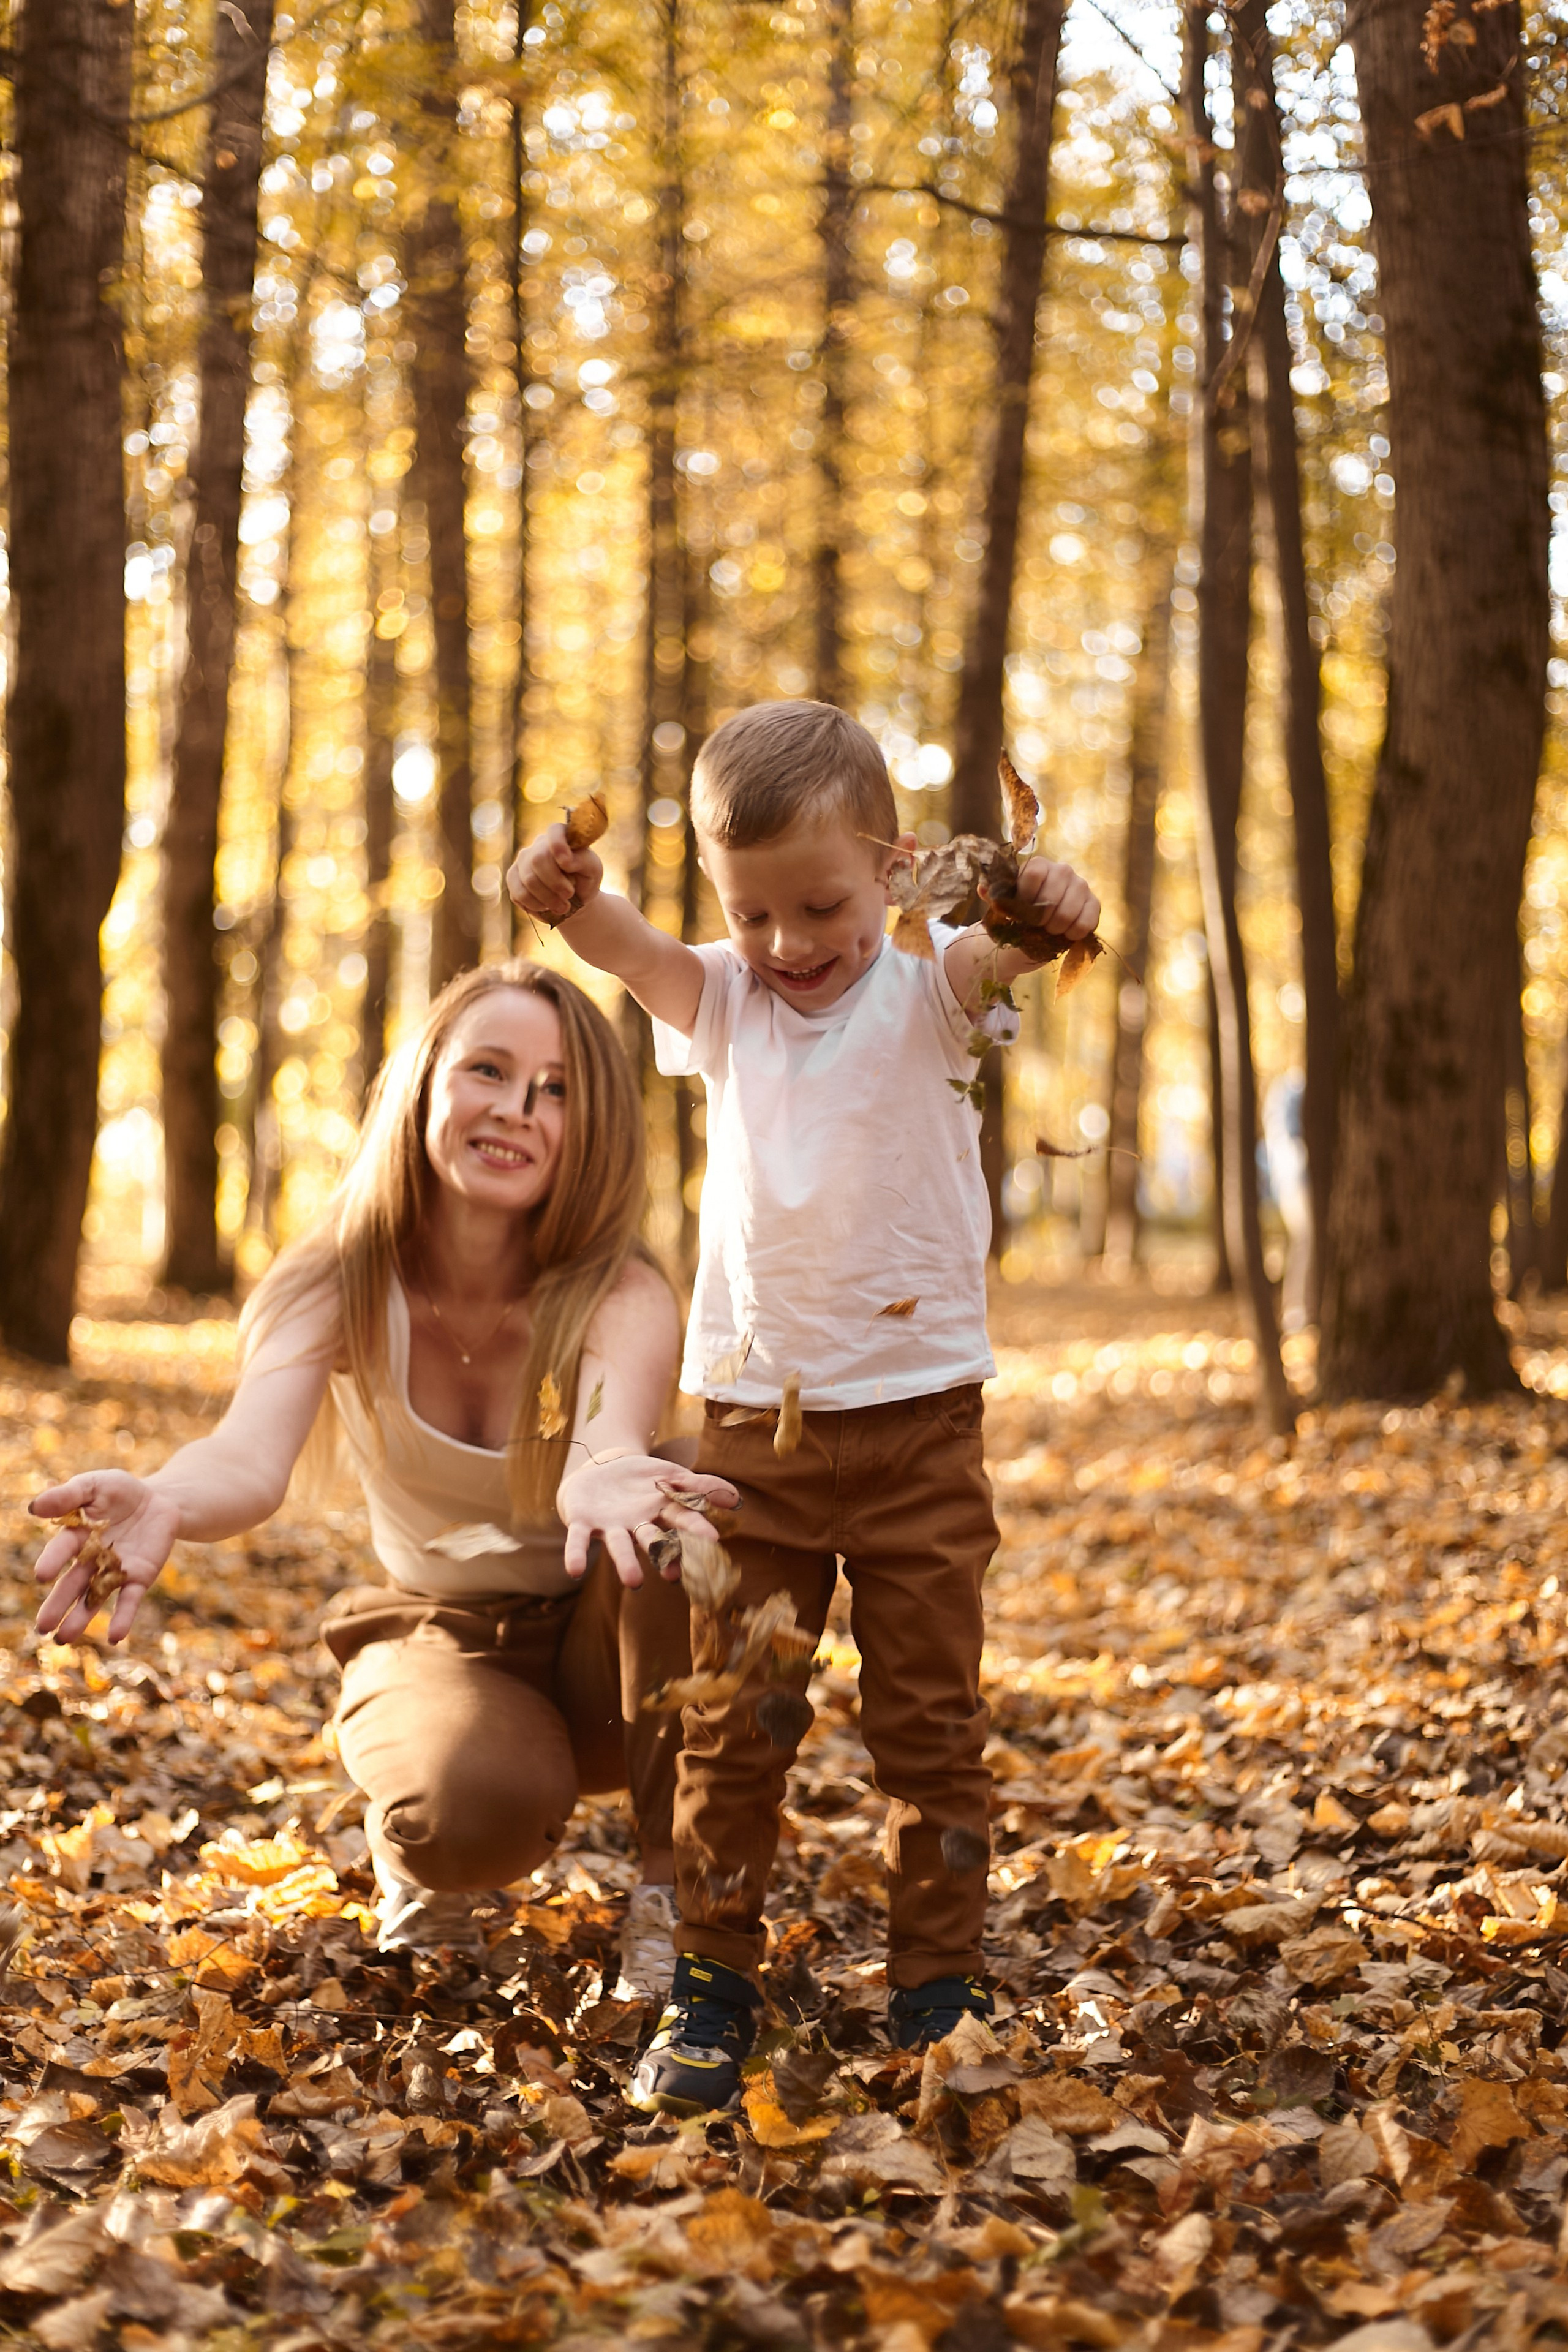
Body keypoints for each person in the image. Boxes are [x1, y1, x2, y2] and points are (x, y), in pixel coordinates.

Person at [507, 699, 1101, 2111]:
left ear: (893, 870)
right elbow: (627, 949)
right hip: (752, 1448)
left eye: (818, 905)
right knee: (739, 1718)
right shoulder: (723, 1001)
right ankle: (713, 1983)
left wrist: (1051, 902)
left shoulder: (932, 994)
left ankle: (934, 1987)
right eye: (750, 911)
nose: (785, 944)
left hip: (919, 1436)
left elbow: (1014, 941)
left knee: (927, 1726)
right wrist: (563, 899)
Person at [28, 960, 737, 1997]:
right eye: (489, 1071)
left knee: (684, 1499)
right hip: (440, 1638)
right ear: (425, 1085)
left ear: (591, 1129)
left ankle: (670, 1893)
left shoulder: (621, 1289)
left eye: (556, 1091)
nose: (517, 1110)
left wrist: (608, 1471)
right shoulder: (337, 1278)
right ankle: (429, 1854)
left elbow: (614, 1436)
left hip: (608, 1647)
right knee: (465, 1811)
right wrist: (170, 1499)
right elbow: (249, 1453)